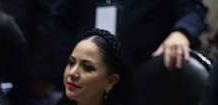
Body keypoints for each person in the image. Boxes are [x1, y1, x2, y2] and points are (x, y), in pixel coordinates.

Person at [53, 0, 206, 71]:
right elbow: (59, 19)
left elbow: (192, 10)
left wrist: (181, 33)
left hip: (143, 73)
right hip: (86, 74)